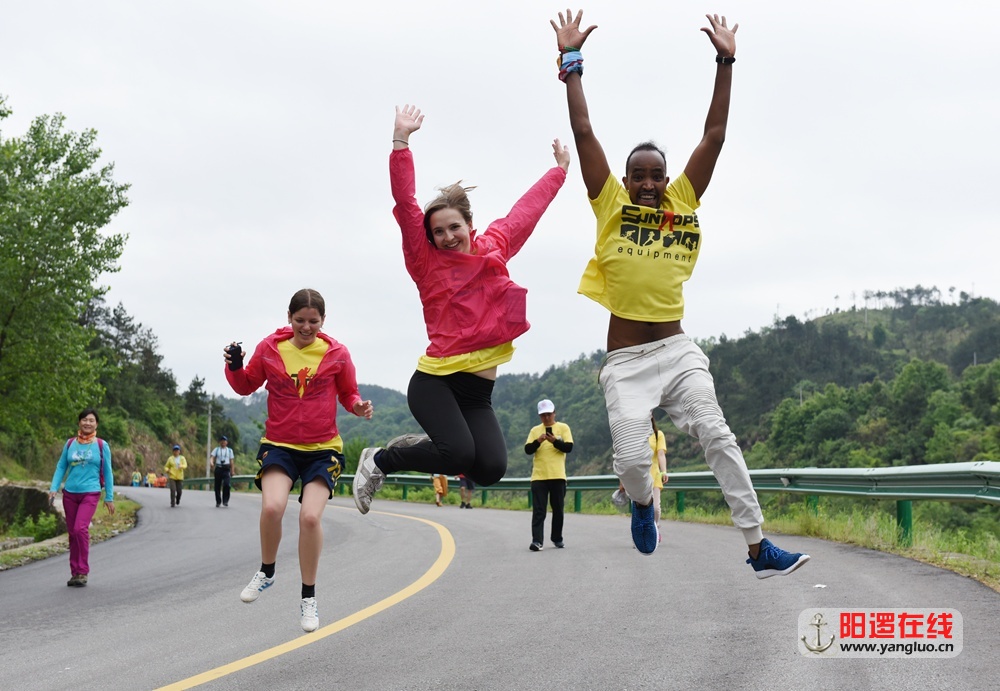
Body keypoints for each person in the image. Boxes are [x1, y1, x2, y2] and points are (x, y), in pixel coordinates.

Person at [550, 9, 809, 577]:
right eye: (637, 174)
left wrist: (726, 60)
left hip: (678, 352)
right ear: (624, 178)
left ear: (667, 179)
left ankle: (757, 545)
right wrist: (572, 65)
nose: (646, 183)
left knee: (717, 434)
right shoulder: (609, 203)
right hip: (626, 363)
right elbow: (585, 133)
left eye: (655, 175)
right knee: (630, 459)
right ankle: (642, 502)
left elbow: (714, 135)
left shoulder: (684, 201)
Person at [352, 105, 570, 514]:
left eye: (454, 227)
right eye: (438, 232)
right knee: (455, 454)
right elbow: (405, 204)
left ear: (470, 225)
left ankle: (410, 448)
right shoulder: (426, 262)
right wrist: (401, 141)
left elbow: (526, 212)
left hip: (477, 392)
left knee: (490, 467)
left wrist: (558, 172)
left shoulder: (495, 247)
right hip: (436, 382)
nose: (448, 236)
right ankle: (381, 459)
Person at [225, 288, 373, 633]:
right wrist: (233, 366)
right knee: (273, 508)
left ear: (323, 321)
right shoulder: (270, 348)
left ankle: (309, 596)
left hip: (323, 449)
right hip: (280, 444)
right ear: (289, 318)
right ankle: (267, 571)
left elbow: (348, 392)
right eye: (300, 320)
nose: (306, 327)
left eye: (313, 321)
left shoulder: (337, 353)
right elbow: (246, 385)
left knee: (309, 518)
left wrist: (358, 406)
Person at [48, 408, 115, 587]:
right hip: (70, 494)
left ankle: (83, 571)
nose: (87, 423)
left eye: (91, 420)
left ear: (96, 424)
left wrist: (109, 496)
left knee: (80, 529)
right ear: (79, 423)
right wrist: (53, 488)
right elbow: (61, 466)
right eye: (84, 420)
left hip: (90, 493)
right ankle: (75, 573)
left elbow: (108, 472)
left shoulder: (102, 445)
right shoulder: (70, 443)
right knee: (72, 534)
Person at [524, 399, 574, 551]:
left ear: (554, 413)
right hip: (539, 477)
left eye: (549, 414)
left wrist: (554, 441)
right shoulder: (535, 431)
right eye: (543, 415)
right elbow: (528, 450)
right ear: (540, 416)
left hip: (558, 475)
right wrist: (538, 441)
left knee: (558, 509)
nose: (546, 418)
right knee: (539, 510)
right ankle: (537, 541)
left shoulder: (563, 428)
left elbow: (568, 447)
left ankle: (557, 538)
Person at [649, 415, 668, 542]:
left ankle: (655, 526)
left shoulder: (658, 434)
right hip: (639, 477)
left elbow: (660, 454)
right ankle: (642, 534)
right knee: (641, 508)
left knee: (655, 507)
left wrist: (664, 471)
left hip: (654, 474)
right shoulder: (635, 434)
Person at [211, 435, 235, 507]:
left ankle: (225, 500)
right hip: (218, 468)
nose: (223, 442)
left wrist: (232, 470)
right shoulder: (216, 449)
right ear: (219, 442)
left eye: (224, 441)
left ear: (226, 442)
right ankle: (218, 501)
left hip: (226, 468)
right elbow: (212, 457)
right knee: (217, 485)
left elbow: (231, 461)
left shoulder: (230, 450)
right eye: (221, 441)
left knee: (227, 484)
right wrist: (211, 462)